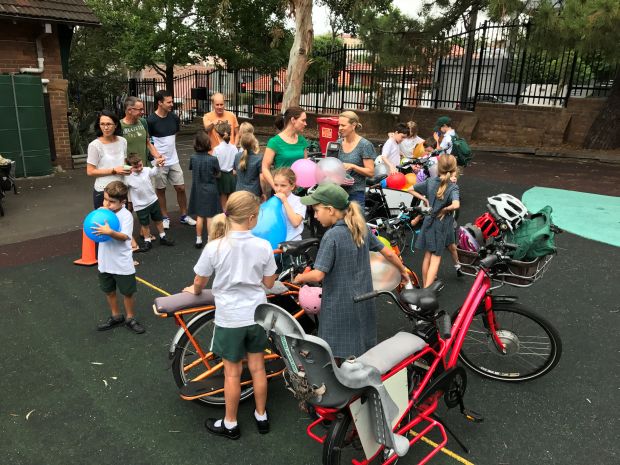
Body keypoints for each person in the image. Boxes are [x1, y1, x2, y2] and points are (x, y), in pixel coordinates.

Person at [183, 191, 277, 440]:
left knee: (232, 373)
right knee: (258, 368)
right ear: (251, 217)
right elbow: (269, 282)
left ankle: (231, 423)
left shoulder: (215, 246)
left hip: (230, 318)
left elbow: (199, 280)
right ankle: (261, 416)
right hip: (256, 314)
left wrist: (194, 290)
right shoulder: (263, 245)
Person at [293, 184, 409, 359]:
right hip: (365, 297)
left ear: (330, 210)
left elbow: (318, 274)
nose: (315, 216)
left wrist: (300, 277)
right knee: (361, 342)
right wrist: (403, 271)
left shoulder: (331, 236)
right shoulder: (360, 227)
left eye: (316, 211)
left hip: (339, 302)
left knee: (337, 350)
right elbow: (388, 253)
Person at [92, 181, 145, 334]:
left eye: (112, 202)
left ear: (123, 202)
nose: (107, 204)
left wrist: (110, 232)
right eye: (105, 199)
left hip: (122, 263)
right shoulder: (102, 212)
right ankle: (116, 316)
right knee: (109, 291)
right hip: (105, 261)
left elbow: (124, 237)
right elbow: (93, 228)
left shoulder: (126, 215)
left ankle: (130, 318)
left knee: (127, 292)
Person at [407, 154, 460, 288]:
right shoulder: (452, 186)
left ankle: (425, 285)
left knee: (428, 255)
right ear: (453, 169)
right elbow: (456, 205)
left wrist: (425, 200)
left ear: (438, 168)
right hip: (442, 224)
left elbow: (410, 189)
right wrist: (445, 210)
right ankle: (427, 291)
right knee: (436, 259)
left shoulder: (430, 181)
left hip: (429, 221)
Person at [147, 90, 196, 229]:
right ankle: (165, 217)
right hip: (159, 162)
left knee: (180, 188)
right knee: (161, 189)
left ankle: (184, 216)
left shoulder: (174, 117)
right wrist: (155, 158)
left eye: (172, 101)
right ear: (159, 103)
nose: (172, 104)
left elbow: (174, 135)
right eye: (168, 102)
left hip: (174, 160)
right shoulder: (150, 120)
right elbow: (148, 142)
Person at [124, 153, 175, 250]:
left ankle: (163, 236)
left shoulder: (146, 170)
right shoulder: (128, 177)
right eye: (136, 167)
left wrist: (157, 165)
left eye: (140, 165)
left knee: (158, 220)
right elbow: (124, 187)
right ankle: (147, 241)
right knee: (145, 224)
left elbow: (154, 172)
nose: (139, 168)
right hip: (140, 206)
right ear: (130, 167)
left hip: (153, 200)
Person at [86, 110, 129, 209]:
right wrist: (114, 170)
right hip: (104, 191)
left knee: (122, 221)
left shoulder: (123, 141)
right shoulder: (95, 145)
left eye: (109, 124)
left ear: (116, 125)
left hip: (121, 189)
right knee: (105, 222)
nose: (105, 127)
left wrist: (129, 169)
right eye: (102, 124)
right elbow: (90, 171)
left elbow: (124, 162)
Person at [336, 111, 376, 211]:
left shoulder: (364, 145)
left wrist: (353, 166)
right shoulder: (337, 143)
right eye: (339, 125)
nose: (340, 128)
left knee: (355, 226)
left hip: (355, 195)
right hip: (337, 193)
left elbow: (371, 172)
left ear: (353, 125)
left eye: (343, 125)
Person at [188, 130, 221, 249]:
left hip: (197, 189)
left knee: (200, 216)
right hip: (210, 188)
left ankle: (198, 239)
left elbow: (191, 168)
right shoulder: (213, 159)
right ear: (208, 143)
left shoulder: (193, 158)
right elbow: (218, 173)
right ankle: (210, 240)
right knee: (210, 216)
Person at [262, 106, 308, 191]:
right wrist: (275, 186)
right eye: (303, 120)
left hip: (300, 191)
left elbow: (305, 165)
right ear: (293, 120)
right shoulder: (274, 142)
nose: (305, 124)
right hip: (281, 191)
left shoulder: (302, 141)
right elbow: (265, 167)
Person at [120, 96, 163, 166]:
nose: (142, 112)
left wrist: (158, 157)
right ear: (129, 110)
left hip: (144, 168)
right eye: (140, 110)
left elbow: (148, 143)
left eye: (142, 109)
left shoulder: (143, 122)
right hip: (129, 170)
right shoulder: (119, 126)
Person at [272, 167, 305, 241]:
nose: (278, 189)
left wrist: (285, 201)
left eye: (283, 185)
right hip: (276, 243)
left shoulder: (299, 201)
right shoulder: (273, 201)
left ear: (292, 186)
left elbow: (295, 223)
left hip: (293, 243)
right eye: (276, 185)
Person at [213, 121, 238, 210]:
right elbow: (236, 162)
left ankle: (224, 214)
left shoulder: (216, 149)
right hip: (232, 175)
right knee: (231, 197)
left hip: (221, 176)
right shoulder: (234, 148)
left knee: (223, 197)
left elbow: (214, 164)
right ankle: (231, 213)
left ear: (218, 135)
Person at [234, 132, 263, 197]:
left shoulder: (237, 156)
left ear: (241, 144)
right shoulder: (259, 158)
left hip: (239, 191)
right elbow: (262, 179)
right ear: (254, 143)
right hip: (253, 192)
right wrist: (264, 192)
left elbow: (234, 172)